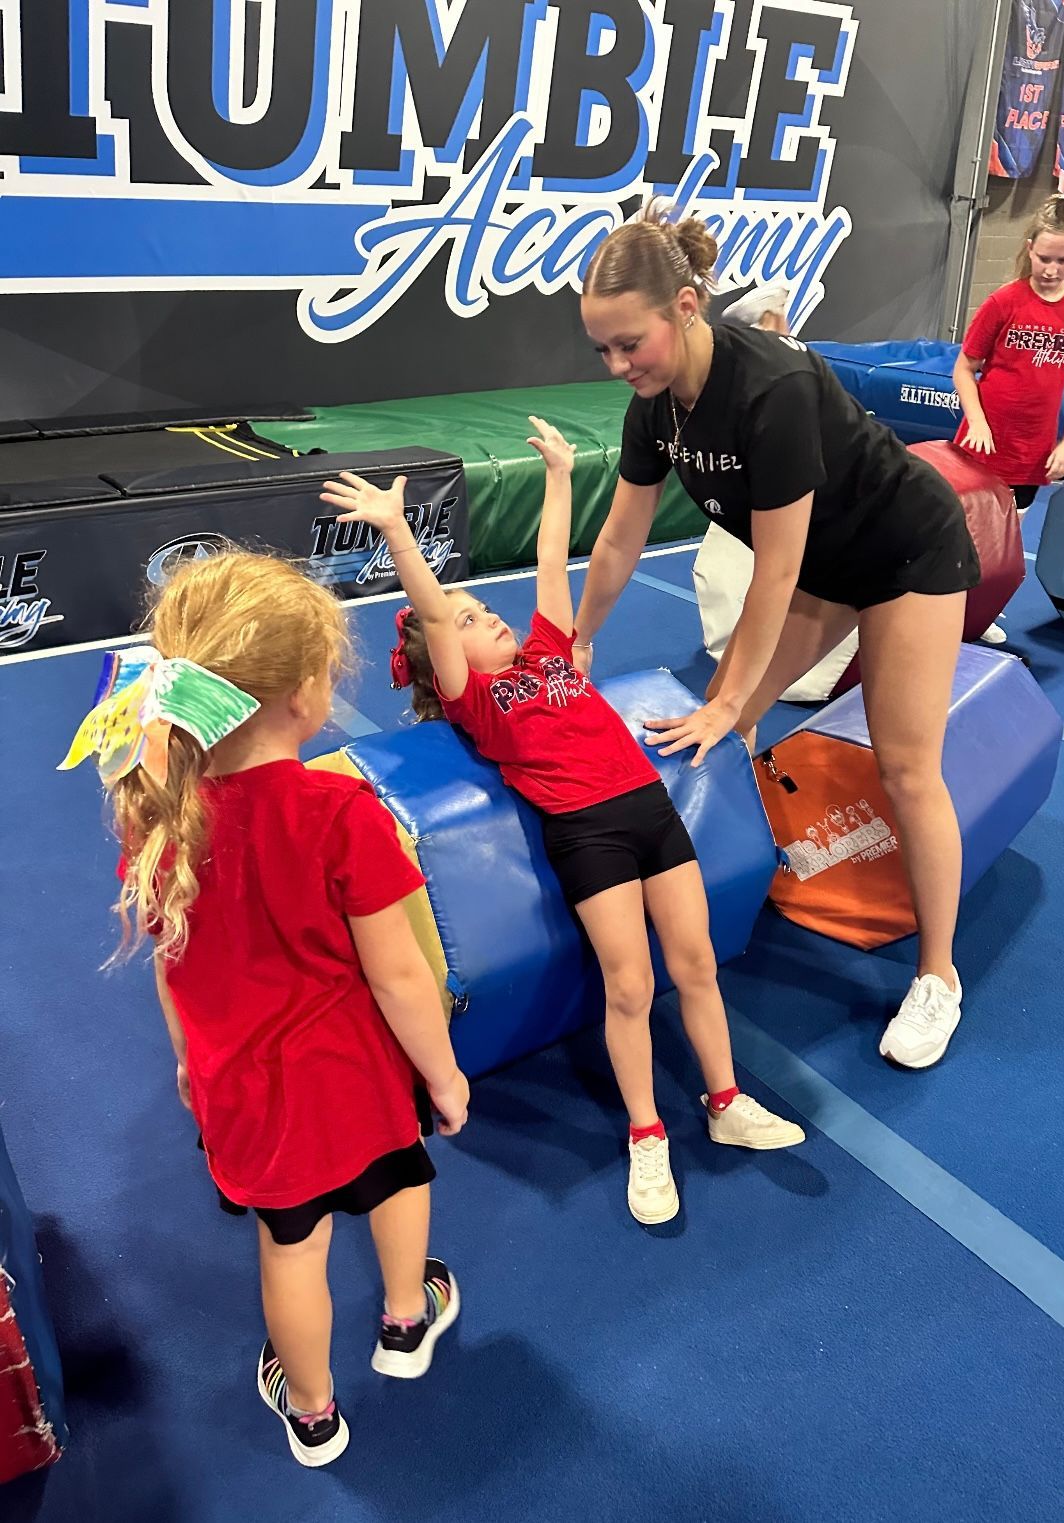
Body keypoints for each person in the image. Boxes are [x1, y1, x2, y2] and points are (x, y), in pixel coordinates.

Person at [319, 420, 803, 1230]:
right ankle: (646, 1132)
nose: (488, 621)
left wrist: (556, 475)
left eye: (483, 610)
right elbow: (434, 621)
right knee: (629, 983)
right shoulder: (478, 702)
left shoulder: (549, 650)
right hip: (587, 834)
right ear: (451, 664)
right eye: (473, 621)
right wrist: (402, 533)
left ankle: (724, 1098)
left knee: (695, 963)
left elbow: (552, 561)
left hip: (649, 808)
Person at [61, 551, 469, 1469]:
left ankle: (314, 1411)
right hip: (361, 1075)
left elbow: (173, 968)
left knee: (292, 1246)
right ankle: (407, 1319)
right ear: (303, 696)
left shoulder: (157, 816)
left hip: (244, 1088)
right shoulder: (340, 809)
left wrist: (185, 1060)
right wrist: (443, 1073)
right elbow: (401, 976)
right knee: (402, 1177)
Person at [576, 204, 982, 1071]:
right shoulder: (654, 408)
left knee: (904, 762)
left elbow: (776, 569)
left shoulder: (771, 389)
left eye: (629, 344)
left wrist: (728, 699)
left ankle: (938, 976)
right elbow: (617, 538)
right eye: (601, 350)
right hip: (825, 563)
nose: (617, 366)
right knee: (724, 723)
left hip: (905, 547)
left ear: (685, 307)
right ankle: (731, 882)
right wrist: (575, 639)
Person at [953, 191, 1064, 643]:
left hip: (1032, 447)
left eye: (1063, 260)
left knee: (1005, 542)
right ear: (1029, 248)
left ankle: (980, 613)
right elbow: (964, 368)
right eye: (1043, 258)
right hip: (983, 443)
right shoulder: (1005, 302)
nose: (1052, 269)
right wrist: (977, 420)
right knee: (964, 534)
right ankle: (941, 608)